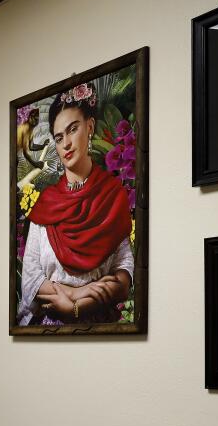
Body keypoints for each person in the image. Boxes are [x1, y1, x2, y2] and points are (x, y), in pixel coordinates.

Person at [17, 83, 133, 326]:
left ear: (90, 127)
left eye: (72, 130)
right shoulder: (46, 203)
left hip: (103, 329)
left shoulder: (112, 195)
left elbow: (124, 276)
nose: (66, 144)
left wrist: (77, 308)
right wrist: (76, 294)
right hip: (50, 330)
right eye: (59, 138)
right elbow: (30, 279)